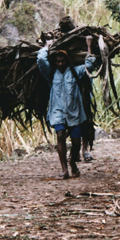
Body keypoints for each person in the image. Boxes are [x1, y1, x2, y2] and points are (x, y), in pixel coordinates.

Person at [37, 35, 98, 179]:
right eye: (57, 61)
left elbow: (90, 65)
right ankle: (64, 169)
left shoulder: (75, 72)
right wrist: (46, 46)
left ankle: (72, 163)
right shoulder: (51, 73)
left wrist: (89, 45)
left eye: (62, 61)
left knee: (76, 142)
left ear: (67, 61)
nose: (60, 63)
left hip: (74, 112)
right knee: (60, 135)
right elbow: (40, 60)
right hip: (58, 112)